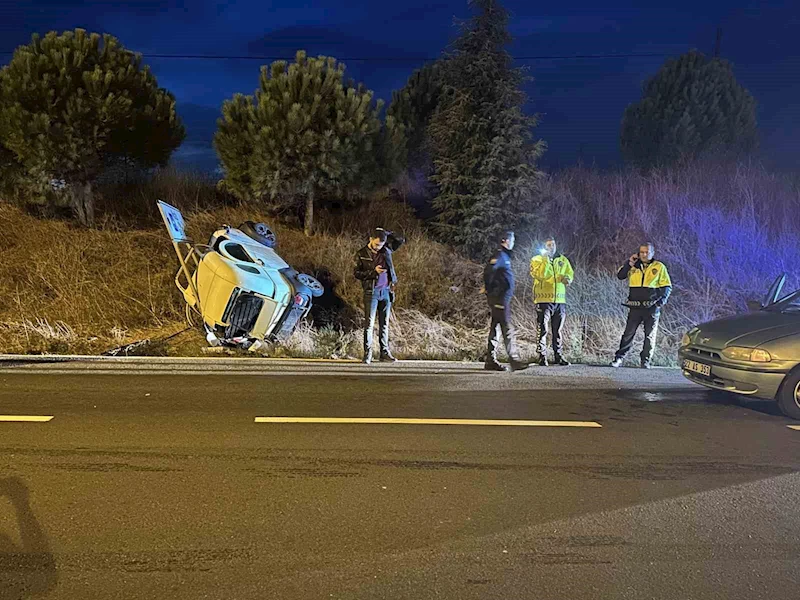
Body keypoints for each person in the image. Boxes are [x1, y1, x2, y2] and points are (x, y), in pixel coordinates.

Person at [610, 242, 672, 368]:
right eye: (642, 252)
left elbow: (667, 286)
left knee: (649, 336)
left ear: (652, 253)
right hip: (635, 307)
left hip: (651, 307)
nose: (644, 254)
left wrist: (660, 302)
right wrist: (629, 264)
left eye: (647, 252)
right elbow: (620, 276)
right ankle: (619, 358)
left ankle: (645, 361)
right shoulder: (633, 266)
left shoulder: (659, 267)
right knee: (628, 333)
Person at [354, 228, 404, 364]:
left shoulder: (386, 250)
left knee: (384, 324)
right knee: (369, 324)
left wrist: (387, 233)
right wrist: (373, 272)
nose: (378, 247)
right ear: (370, 239)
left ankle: (384, 353)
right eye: (376, 244)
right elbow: (357, 273)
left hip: (386, 291)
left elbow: (401, 240)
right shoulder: (361, 254)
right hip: (372, 292)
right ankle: (367, 353)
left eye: (381, 245)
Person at [483, 231, 529, 372]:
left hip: (501, 298)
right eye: (512, 240)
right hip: (499, 298)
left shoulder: (503, 256)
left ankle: (490, 360)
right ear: (506, 241)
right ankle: (513, 359)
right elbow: (488, 271)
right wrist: (490, 289)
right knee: (506, 327)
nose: (514, 243)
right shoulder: (500, 255)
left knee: (496, 327)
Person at [530, 237, 574, 366]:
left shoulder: (562, 260)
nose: (551, 247)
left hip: (560, 300)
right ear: (544, 247)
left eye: (553, 245)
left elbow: (569, 273)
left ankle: (558, 355)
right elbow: (540, 275)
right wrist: (545, 259)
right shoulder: (537, 260)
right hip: (544, 299)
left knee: (557, 330)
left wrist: (568, 279)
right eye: (548, 245)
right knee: (542, 329)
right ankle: (542, 355)